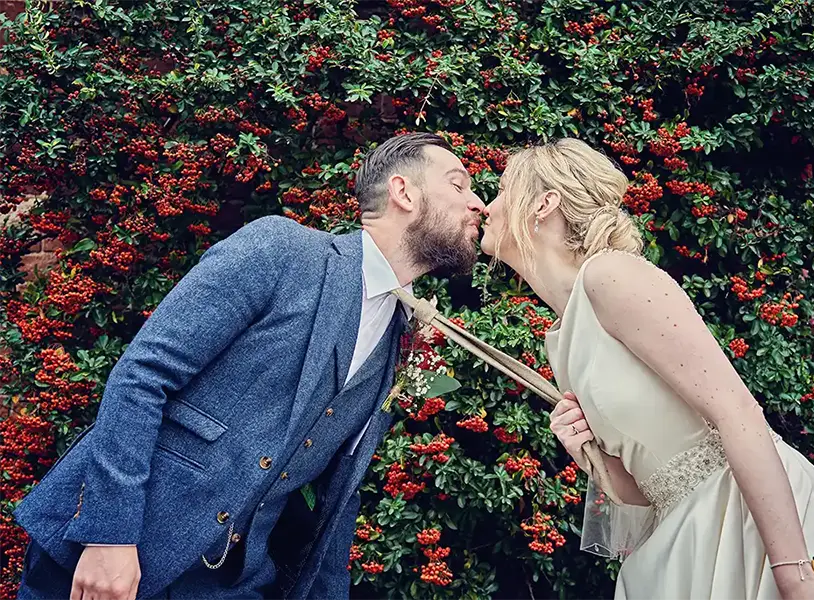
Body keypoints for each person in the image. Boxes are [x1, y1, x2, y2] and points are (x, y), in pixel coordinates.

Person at [15, 132, 485, 600]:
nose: (478, 203)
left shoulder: (399, 335)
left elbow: (339, 494)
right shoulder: (282, 250)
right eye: (458, 184)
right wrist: (109, 537)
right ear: (404, 192)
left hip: (231, 580)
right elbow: (143, 376)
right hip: (110, 556)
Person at [479, 137, 814, 600]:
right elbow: (643, 492)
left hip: (748, 525)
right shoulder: (561, 336)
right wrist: (585, 452)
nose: (487, 206)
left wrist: (793, 575)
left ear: (544, 204)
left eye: (501, 191)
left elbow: (737, 411)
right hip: (682, 536)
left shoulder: (612, 276)